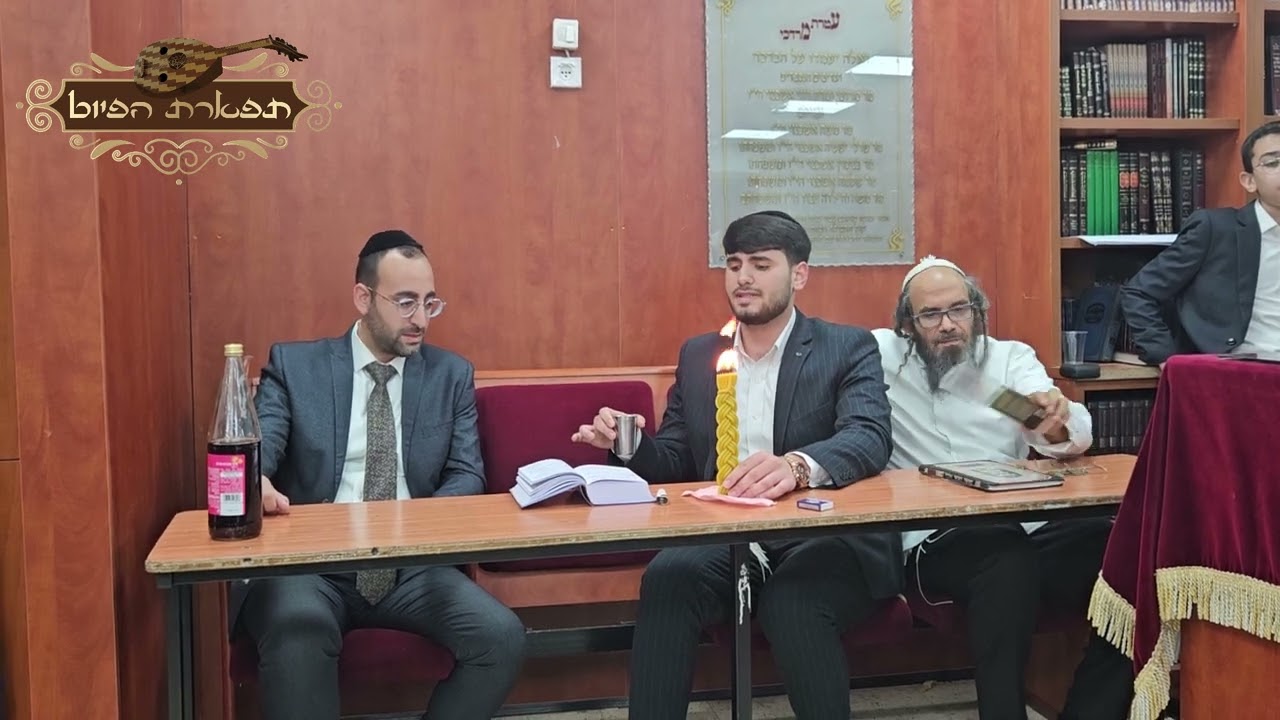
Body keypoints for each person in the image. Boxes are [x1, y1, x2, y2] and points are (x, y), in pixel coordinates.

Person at [572, 211, 898, 719]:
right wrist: (628, 444)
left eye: (761, 265)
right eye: (734, 264)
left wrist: (797, 467)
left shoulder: (845, 346)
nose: (743, 277)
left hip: (822, 535)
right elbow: (678, 459)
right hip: (728, 534)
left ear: (799, 274)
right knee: (668, 578)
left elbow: (869, 435)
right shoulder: (700, 354)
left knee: (793, 603)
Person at [233, 230, 526, 720]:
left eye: (430, 303)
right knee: (298, 633)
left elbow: (465, 475)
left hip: (412, 565)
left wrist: (411, 528)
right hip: (313, 566)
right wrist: (255, 482)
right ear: (363, 298)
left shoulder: (451, 375)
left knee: (501, 637)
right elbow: (260, 448)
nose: (420, 319)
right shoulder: (296, 366)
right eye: (406, 302)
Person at [874, 256, 1134, 719]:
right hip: (935, 539)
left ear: (977, 310)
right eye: (930, 315)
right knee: (1004, 559)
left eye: (960, 309)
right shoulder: (880, 357)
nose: (948, 325)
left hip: (1023, 526)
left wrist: (1052, 420)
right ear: (907, 325)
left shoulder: (1006, 361)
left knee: (1125, 550)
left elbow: (1064, 433)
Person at [1122, 120, 1280, 366]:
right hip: (1240, 370)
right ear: (1249, 181)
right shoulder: (1215, 229)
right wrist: (1167, 358)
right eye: (1273, 162)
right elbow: (1139, 292)